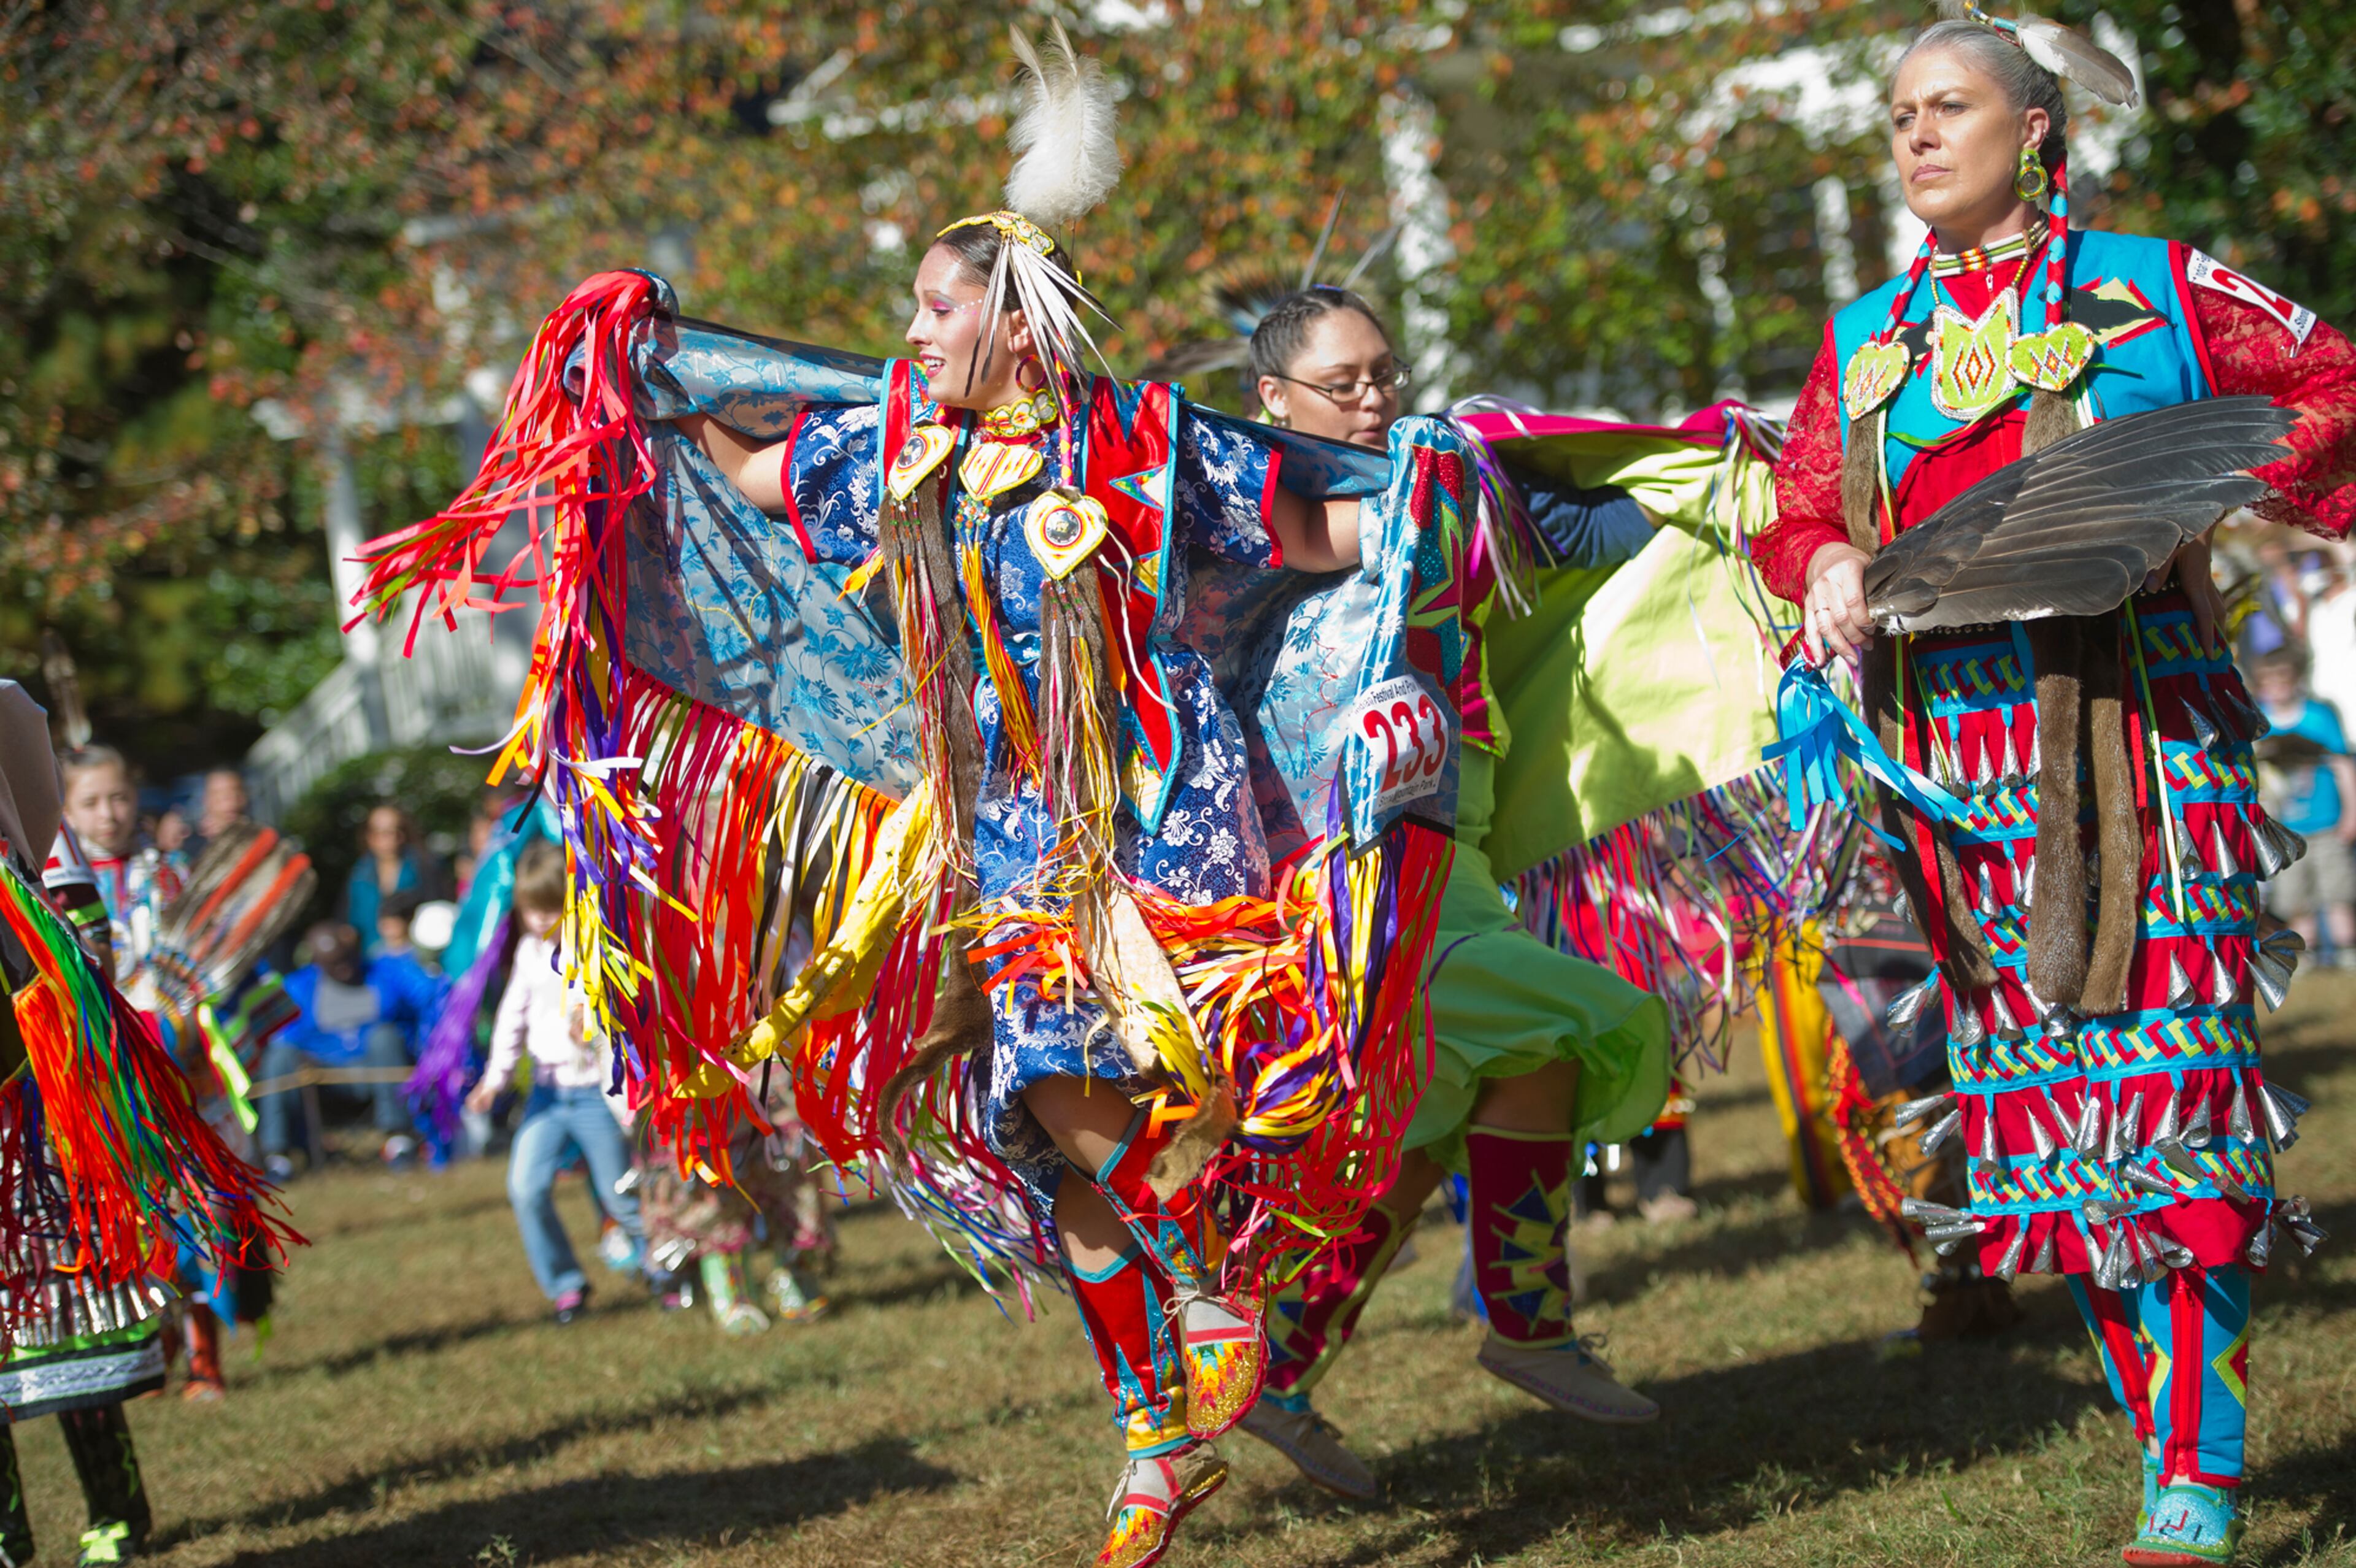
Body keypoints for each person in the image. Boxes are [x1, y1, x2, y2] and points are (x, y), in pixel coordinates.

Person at [363, 29, 1471, 1566]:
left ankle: (1204, 1312)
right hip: (1004, 827)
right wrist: (651, 379)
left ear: (1012, 322)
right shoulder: (896, 450)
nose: (910, 332)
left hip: (1159, 811)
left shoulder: (1145, 442)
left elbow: (1311, 534)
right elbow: (750, 474)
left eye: (933, 308)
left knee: (1136, 1082)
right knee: (1026, 1102)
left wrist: (1431, 495)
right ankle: (1157, 1421)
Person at [1751, 9, 2356, 1561]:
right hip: (1955, 780)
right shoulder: (1863, 339)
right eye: (1896, 115)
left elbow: (2327, 386)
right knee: (2047, 1121)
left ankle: (2197, 1473)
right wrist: (1818, 553)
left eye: (1946, 107)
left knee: (2167, 1094)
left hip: (2134, 746)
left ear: (2033, 128)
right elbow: (1801, 493)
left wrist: (2191, 493)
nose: (1913, 135)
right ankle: (2163, 1437)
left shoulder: (2151, 285)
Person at [1226, 286, 1672, 1497]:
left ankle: (1275, 1366)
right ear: (1274, 400)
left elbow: (1614, 532)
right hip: (1344, 879)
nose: (1375, 400)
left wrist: (1711, 483)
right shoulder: (1226, 505)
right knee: (1565, 1024)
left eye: (1385, 373)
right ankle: (1527, 1324)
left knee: (1413, 1135)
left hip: (1450, 850)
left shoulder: (1457, 491)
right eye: (1343, 384)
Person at [467, 842, 646, 1323]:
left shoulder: (599, 949)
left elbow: (625, 1019)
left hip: (595, 1094)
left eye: (551, 909)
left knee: (620, 1196)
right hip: (546, 1097)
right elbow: (511, 1018)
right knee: (525, 1187)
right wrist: (494, 1080)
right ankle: (565, 1285)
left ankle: (666, 1269)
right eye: (531, 910)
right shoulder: (529, 953)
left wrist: (596, 1024)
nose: (542, 920)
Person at [261, 921, 446, 1175]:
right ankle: (278, 1155)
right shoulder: (300, 986)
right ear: (316, 962)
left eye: (347, 958)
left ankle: (398, 1140)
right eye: (333, 964)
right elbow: (284, 1035)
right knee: (279, 1057)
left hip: (377, 1069)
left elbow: (429, 996)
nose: (344, 968)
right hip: (321, 1075)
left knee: (385, 1036)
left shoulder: (384, 973)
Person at [2248, 648, 2356, 960]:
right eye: (2270, 682)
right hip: (2284, 831)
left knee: (2339, 894)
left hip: (2328, 824)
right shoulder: (2258, 722)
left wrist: (2351, 813)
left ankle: (2346, 957)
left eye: (2284, 680)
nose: (2278, 688)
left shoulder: (2319, 718)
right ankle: (2305, 960)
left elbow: (2342, 765)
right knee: (2295, 902)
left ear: (2297, 679)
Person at [58, 745, 184, 978]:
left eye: (119, 798)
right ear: (67, 812)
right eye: (90, 803)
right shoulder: (61, 886)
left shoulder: (169, 871)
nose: (107, 814)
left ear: (135, 796)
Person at [344, 804, 448, 957]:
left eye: (390, 832)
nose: (383, 839)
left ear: (402, 834)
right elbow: (348, 921)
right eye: (377, 832)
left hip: (418, 961)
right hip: (371, 962)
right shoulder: (359, 874)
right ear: (368, 837)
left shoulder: (425, 867)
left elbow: (439, 913)